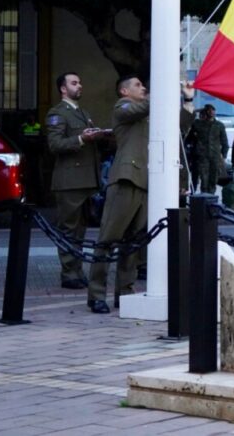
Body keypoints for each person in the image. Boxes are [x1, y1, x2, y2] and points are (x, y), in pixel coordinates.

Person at [87, 77, 194, 314]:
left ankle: (124, 293)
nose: (142, 87)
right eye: (137, 85)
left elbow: (180, 126)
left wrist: (187, 99)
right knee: (108, 238)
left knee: (133, 243)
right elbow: (145, 107)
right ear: (124, 91)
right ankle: (96, 294)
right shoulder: (123, 106)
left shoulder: (148, 110)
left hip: (147, 182)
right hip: (126, 179)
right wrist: (163, 87)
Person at [44, 72, 105, 289]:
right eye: (74, 83)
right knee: (69, 229)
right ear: (63, 88)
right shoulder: (58, 113)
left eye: (80, 82)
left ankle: (77, 271)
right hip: (69, 181)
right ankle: (69, 273)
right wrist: (81, 138)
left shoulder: (82, 112)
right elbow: (55, 145)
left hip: (85, 180)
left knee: (80, 230)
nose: (80, 85)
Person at [191, 104, 228, 193]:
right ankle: (204, 196)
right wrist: (198, 111)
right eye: (209, 111)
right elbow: (190, 120)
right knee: (204, 178)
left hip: (215, 156)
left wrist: (224, 155)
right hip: (203, 156)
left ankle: (211, 196)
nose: (211, 113)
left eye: (212, 112)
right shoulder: (198, 124)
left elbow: (224, 142)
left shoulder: (219, 125)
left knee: (213, 178)